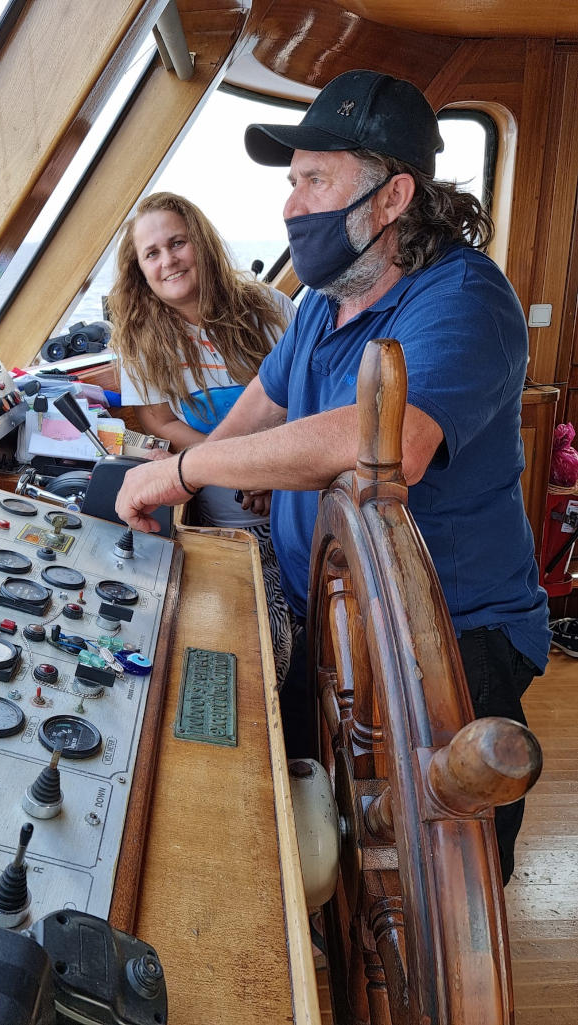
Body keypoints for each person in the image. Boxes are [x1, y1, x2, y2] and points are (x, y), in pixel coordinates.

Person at [115, 70, 551, 885]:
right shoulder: (325, 297)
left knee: (441, 872)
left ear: (392, 198)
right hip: (330, 604)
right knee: (327, 816)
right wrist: (181, 475)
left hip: (445, 633)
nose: (291, 205)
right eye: (291, 182)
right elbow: (266, 398)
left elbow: (385, 439)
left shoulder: (464, 299)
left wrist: (186, 466)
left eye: (314, 180)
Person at [108, 192, 297, 681]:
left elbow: (310, 401)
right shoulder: (139, 339)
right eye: (152, 253)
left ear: (202, 243)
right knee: (264, 654)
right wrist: (238, 467)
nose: (168, 260)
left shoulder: (270, 308)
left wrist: (272, 470)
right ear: (139, 269)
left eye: (177, 243)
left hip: (300, 507)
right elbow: (158, 422)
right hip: (228, 524)